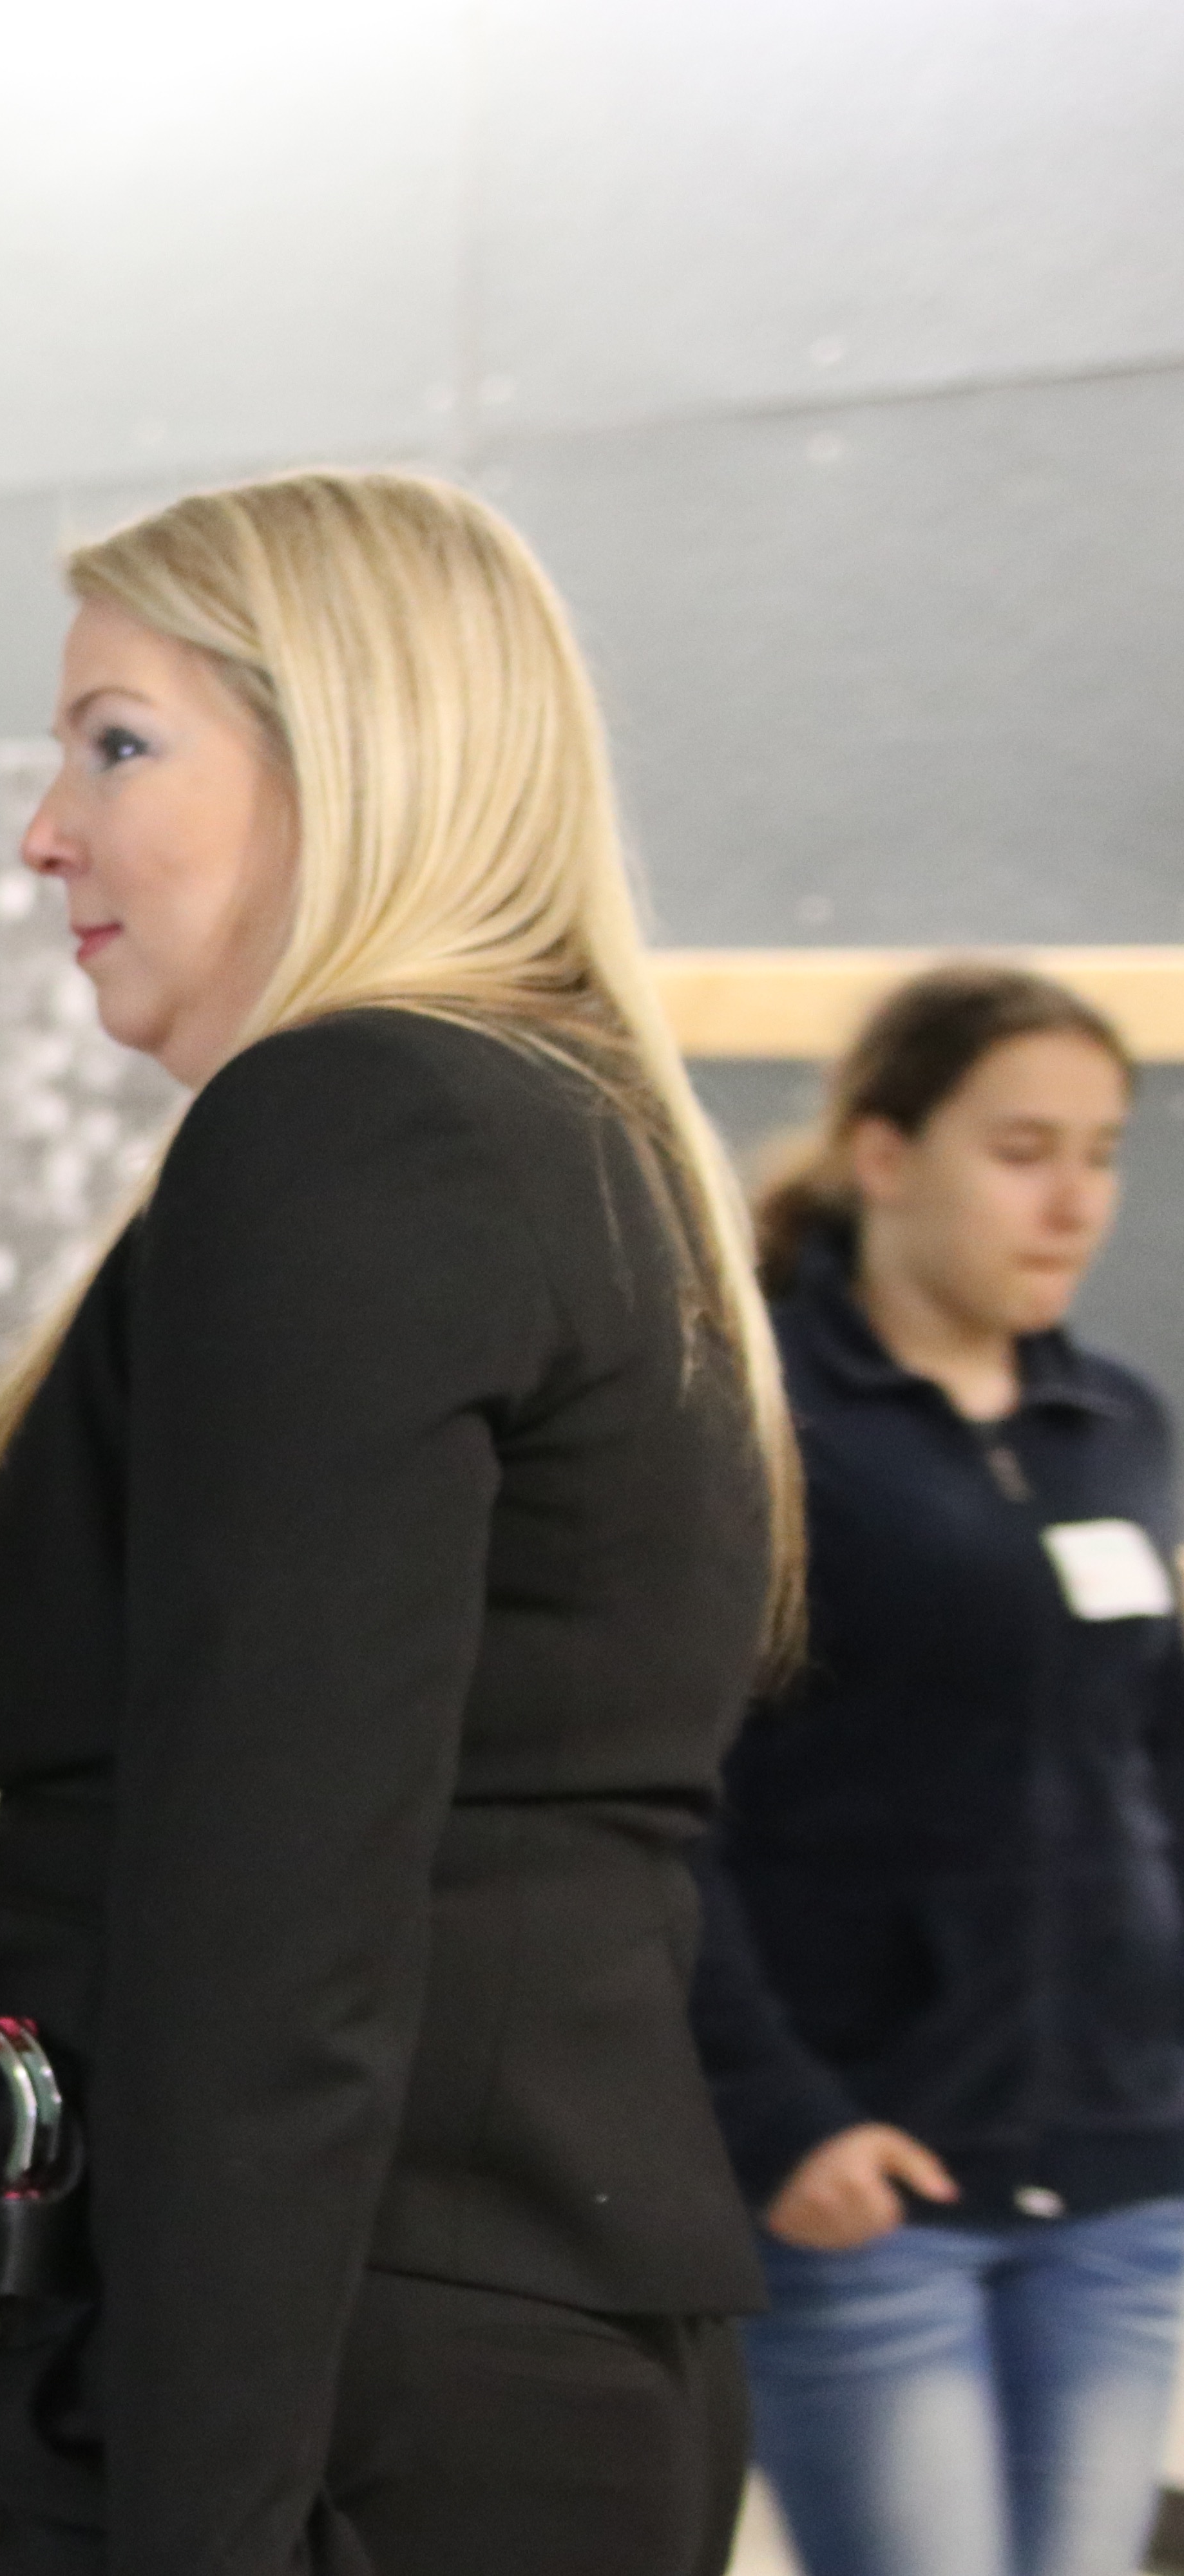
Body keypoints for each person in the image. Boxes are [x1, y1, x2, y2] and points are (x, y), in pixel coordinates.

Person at [0, 469, 798, 2576]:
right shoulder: (570, 1140)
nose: (46, 828)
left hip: (360, 2380)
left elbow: (279, 1929)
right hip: (502, 2338)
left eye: (119, 742)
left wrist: (198, 2533)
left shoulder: (358, 1126)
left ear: (359, 757)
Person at [691, 966, 1179, 2576]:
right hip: (871, 2177)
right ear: (884, 1153)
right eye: (1023, 1147)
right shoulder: (759, 1424)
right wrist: (781, 2118)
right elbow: (668, 1811)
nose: (1075, 1200)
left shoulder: (1112, 1423)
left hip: (1121, 2171)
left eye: (1101, 1152)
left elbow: (1149, 1764)